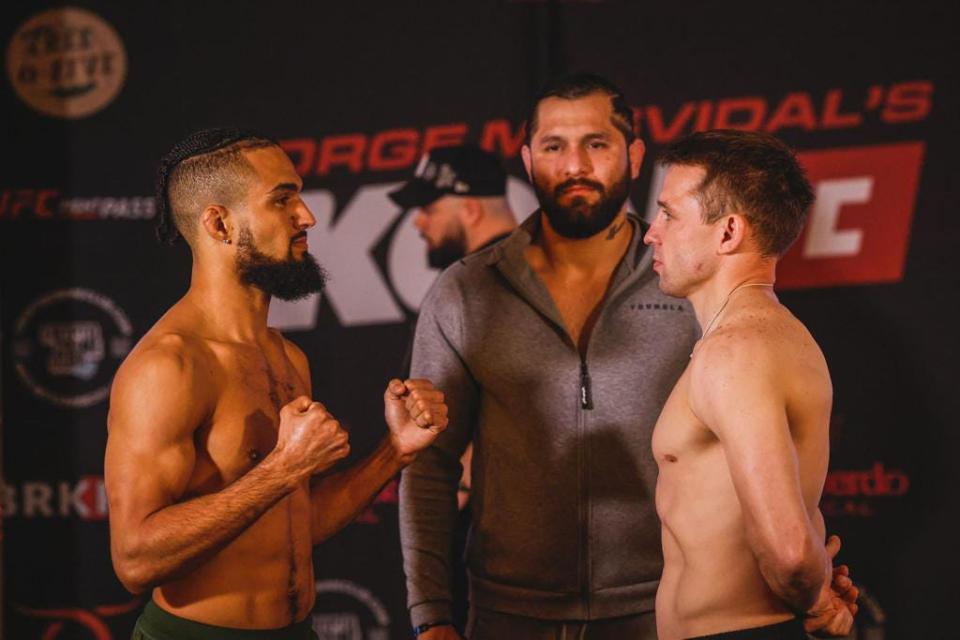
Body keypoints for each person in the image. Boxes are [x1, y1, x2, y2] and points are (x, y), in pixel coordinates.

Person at [105, 128, 448, 640]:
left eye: (300, 196)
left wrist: (394, 452)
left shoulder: (286, 356)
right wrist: (283, 469)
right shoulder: (169, 366)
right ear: (219, 223)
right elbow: (134, 560)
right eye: (282, 199)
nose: (307, 216)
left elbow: (292, 526)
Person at [400, 73, 697, 640]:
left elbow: (753, 437)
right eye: (554, 147)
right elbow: (428, 462)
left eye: (596, 143)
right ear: (528, 159)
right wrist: (431, 615)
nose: (574, 165)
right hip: (510, 616)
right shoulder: (466, 291)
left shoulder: (688, 282)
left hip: (671, 606)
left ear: (634, 154)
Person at [644, 130, 859, 639]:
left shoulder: (736, 351)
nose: (652, 232)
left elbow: (788, 552)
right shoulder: (768, 336)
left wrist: (815, 597)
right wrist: (816, 583)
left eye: (670, 214)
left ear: (728, 233)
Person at [389, 144, 517, 271]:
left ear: (470, 211)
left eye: (428, 211)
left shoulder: (488, 281)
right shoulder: (519, 267)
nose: (417, 222)